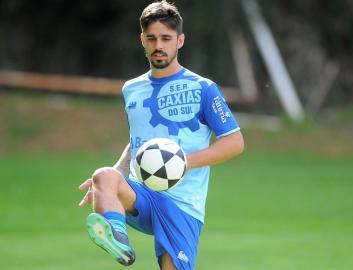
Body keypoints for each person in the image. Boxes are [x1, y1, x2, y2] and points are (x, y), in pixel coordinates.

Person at [78, 1, 244, 269]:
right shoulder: (131, 89)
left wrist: (181, 163)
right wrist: (108, 185)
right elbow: (137, 141)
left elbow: (235, 142)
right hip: (143, 192)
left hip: (182, 204)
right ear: (142, 40)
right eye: (152, 38)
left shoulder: (203, 88)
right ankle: (117, 238)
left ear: (180, 41)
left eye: (166, 39)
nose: (159, 46)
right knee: (103, 175)